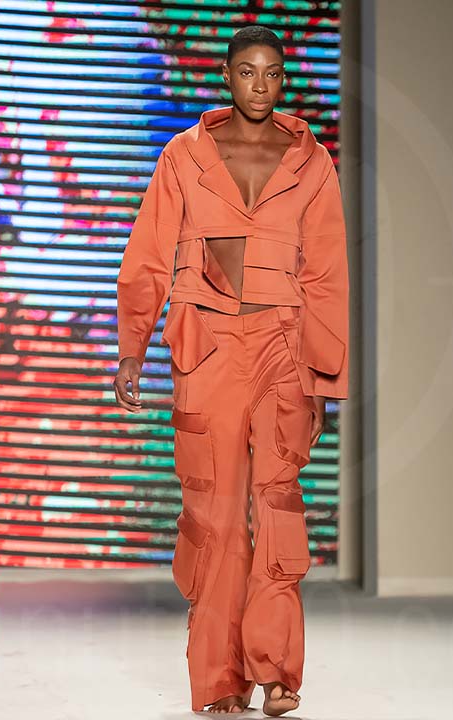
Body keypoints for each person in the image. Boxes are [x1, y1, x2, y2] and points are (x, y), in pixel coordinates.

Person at [112, 25, 350, 716]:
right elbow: (149, 253)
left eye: (272, 72)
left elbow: (326, 273)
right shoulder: (184, 156)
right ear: (226, 75)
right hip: (207, 345)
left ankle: (276, 672)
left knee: (277, 502)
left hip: (282, 343)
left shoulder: (311, 162)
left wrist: (322, 375)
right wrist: (132, 347)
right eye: (247, 71)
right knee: (214, 509)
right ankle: (219, 681)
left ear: (284, 80)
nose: (259, 84)